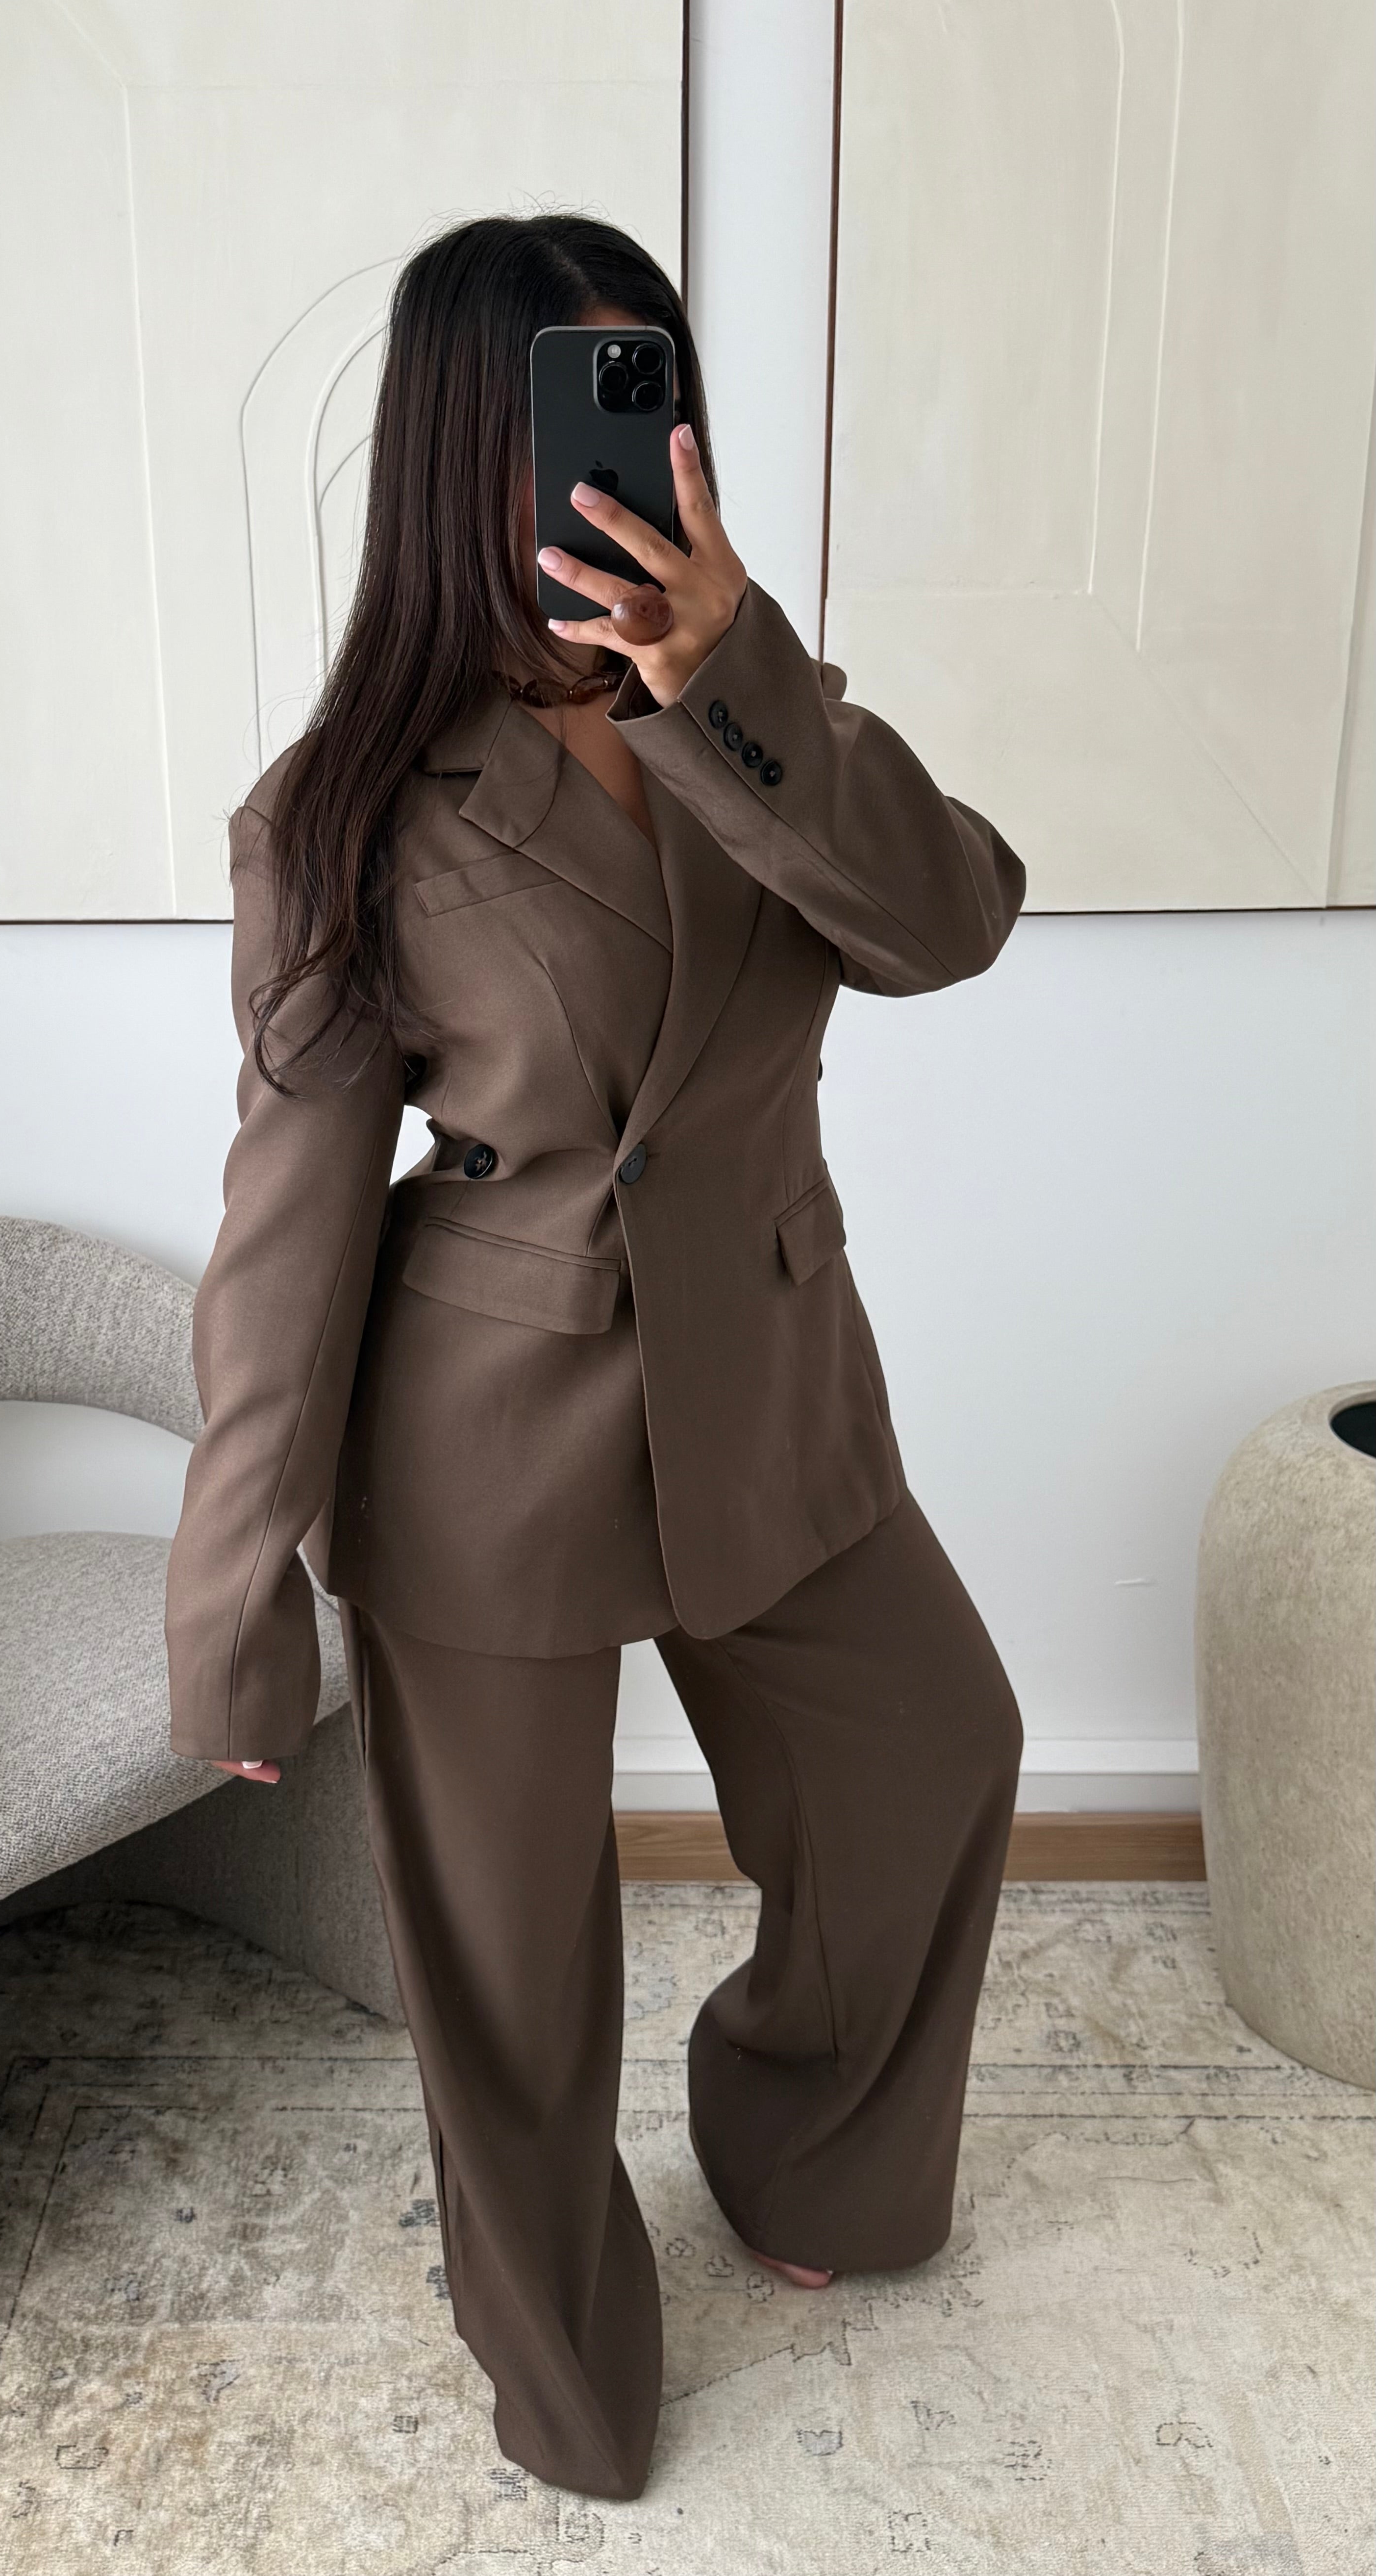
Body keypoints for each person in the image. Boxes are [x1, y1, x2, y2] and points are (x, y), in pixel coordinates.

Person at [163, 211, 1027, 2502]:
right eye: (572, 406)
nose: (624, 456)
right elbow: (288, 1227)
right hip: (487, 1440)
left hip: (773, 1381)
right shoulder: (342, 810)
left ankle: (811, 2148)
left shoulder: (753, 711)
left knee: (934, 1750)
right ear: (470, 449)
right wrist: (232, 1597)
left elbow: (950, 922)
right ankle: (557, 2355)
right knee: (514, 1969)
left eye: (653, 397)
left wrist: (727, 668)